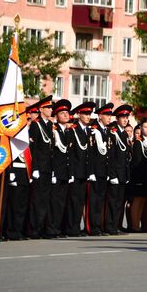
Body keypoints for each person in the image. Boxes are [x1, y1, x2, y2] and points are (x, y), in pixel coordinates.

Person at [65, 101, 94, 237]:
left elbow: (90, 153)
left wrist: (90, 172)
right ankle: (71, 227)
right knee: (73, 201)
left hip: (84, 172)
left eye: (89, 114)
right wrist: (71, 172)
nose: (88, 116)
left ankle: (76, 226)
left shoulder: (88, 131)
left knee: (80, 202)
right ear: (79, 115)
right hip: (76, 172)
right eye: (85, 114)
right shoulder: (73, 130)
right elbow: (70, 153)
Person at [26, 96, 53, 239]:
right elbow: (33, 148)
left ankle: (42, 227)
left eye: (50, 108)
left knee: (45, 200)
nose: (50, 110)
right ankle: (34, 229)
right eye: (47, 108)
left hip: (48, 168)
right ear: (41, 109)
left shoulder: (49, 125)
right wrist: (34, 167)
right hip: (39, 168)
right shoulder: (36, 125)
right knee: (37, 200)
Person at [105, 104, 132, 235]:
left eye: (126, 117)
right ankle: (110, 226)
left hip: (122, 174)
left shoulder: (123, 134)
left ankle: (116, 226)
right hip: (115, 174)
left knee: (119, 202)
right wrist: (112, 174)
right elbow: (111, 156)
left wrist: (126, 175)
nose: (125, 119)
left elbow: (125, 157)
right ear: (117, 118)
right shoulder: (113, 132)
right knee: (112, 202)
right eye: (122, 117)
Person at [87, 103, 112, 236]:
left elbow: (108, 153)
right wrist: (91, 171)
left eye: (110, 115)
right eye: (107, 115)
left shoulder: (107, 131)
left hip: (104, 171)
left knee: (100, 201)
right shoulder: (94, 130)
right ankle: (93, 227)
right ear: (100, 116)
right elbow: (90, 153)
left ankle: (98, 226)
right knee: (94, 201)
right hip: (95, 171)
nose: (109, 118)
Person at [46, 99, 70, 238]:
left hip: (65, 172)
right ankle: (50, 228)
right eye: (63, 113)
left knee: (61, 202)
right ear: (56, 116)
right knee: (53, 202)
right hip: (56, 171)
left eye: (67, 112)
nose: (66, 115)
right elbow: (50, 153)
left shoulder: (68, 132)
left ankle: (57, 228)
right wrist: (53, 171)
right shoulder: (53, 131)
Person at [129, 119, 147, 232]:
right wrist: (137, 177)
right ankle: (134, 225)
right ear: (141, 128)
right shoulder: (138, 143)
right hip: (139, 175)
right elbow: (136, 162)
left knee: (144, 199)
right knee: (137, 199)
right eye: (145, 127)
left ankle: (139, 223)